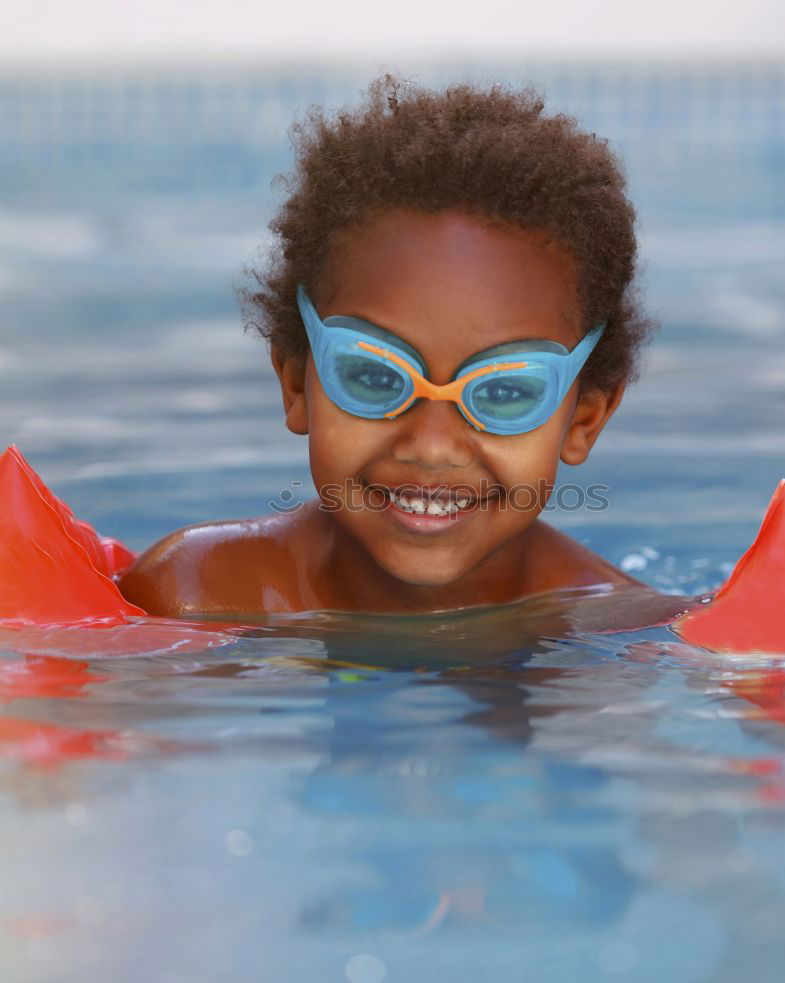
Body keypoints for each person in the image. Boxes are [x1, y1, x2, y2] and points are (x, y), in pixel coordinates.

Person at [118, 75, 690, 626]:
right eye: (373, 377)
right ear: (297, 382)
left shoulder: (624, 631)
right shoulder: (204, 593)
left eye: (506, 391)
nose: (432, 446)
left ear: (582, 419)